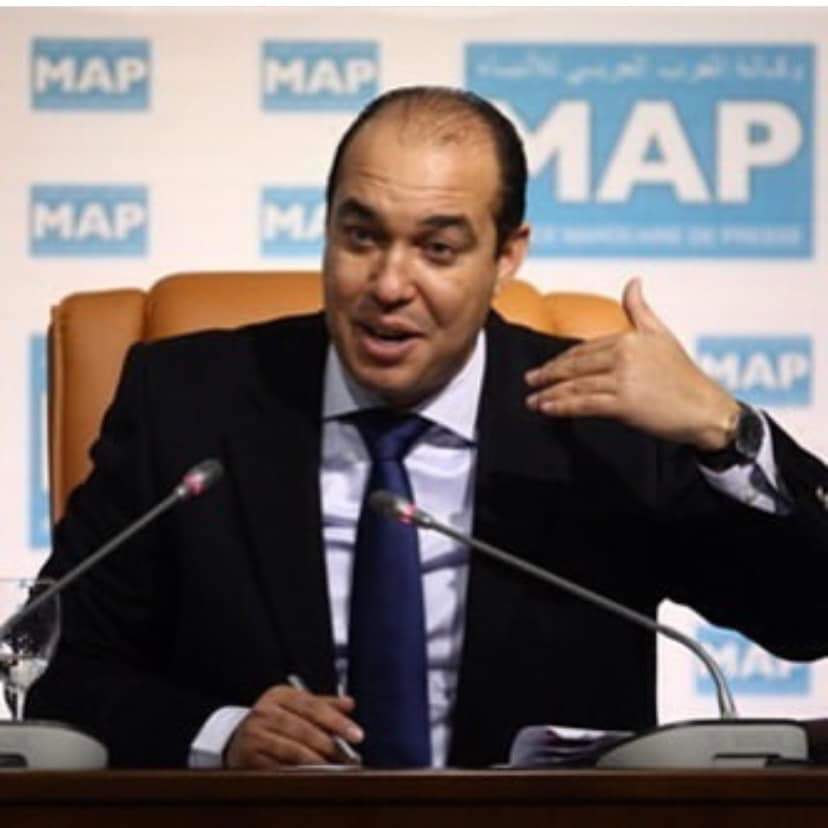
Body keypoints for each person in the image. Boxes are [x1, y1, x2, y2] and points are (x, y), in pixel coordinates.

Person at [28, 86, 828, 770]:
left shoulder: (605, 420)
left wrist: (724, 428)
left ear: (506, 256)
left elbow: (806, 619)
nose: (388, 284)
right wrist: (223, 734)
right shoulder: (187, 402)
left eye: (438, 249)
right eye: (361, 236)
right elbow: (53, 668)